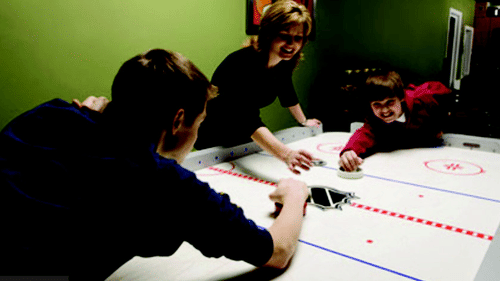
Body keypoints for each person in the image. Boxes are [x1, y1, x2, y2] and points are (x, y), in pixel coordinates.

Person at [0, 49, 310, 279]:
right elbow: (277, 251)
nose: (197, 131)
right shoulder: (165, 183)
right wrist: (294, 194)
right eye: (199, 122)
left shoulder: (49, 115)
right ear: (177, 120)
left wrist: (90, 121)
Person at [195, 0, 321, 175]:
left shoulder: (283, 63)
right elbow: (246, 119)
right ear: (269, 33)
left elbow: (287, 93)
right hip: (214, 136)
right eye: (284, 35)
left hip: (243, 136)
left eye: (297, 38)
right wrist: (286, 154)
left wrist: (303, 121)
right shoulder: (242, 64)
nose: (291, 44)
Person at [339, 70, 452, 171]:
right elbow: (365, 133)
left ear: (401, 97)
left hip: (435, 157)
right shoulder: (374, 118)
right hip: (404, 164)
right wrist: (349, 151)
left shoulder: (423, 99)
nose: (384, 110)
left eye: (390, 102)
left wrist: (440, 124)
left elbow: (445, 94)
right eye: (377, 104)